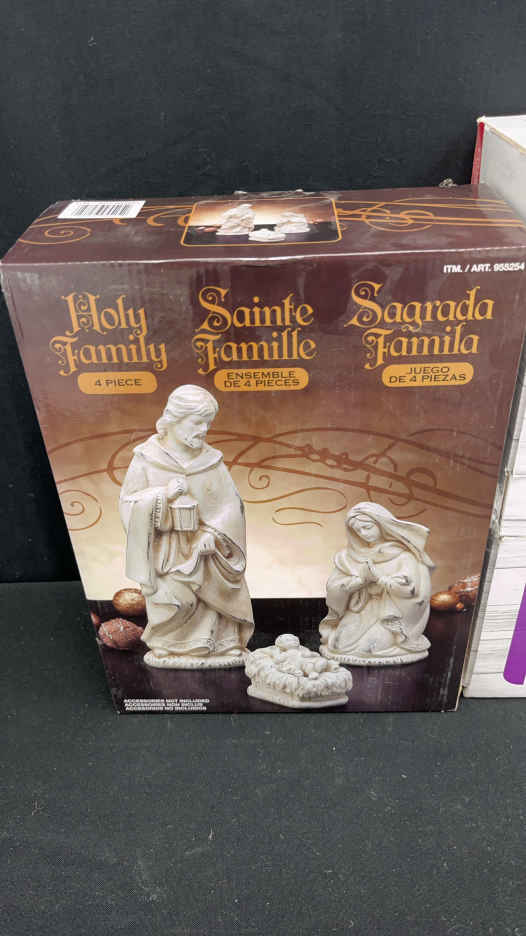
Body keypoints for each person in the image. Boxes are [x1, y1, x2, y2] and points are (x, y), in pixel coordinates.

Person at [119, 384, 254, 667]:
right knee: (176, 596)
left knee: (214, 586)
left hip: (209, 552)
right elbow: (128, 504)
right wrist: (163, 495)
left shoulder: (211, 460)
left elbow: (232, 506)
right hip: (167, 552)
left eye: (208, 423)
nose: (204, 430)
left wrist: (212, 534)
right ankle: (168, 643)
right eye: (197, 422)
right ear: (173, 419)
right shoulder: (146, 458)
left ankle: (223, 643)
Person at [319, 502, 434, 665]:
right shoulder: (348, 557)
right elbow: (334, 587)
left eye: (367, 527)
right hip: (361, 608)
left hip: (390, 613)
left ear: (381, 524)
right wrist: (359, 582)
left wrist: (379, 578)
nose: (363, 534)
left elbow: (410, 590)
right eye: (358, 530)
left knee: (368, 649)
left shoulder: (404, 556)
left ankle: (395, 641)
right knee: (338, 644)